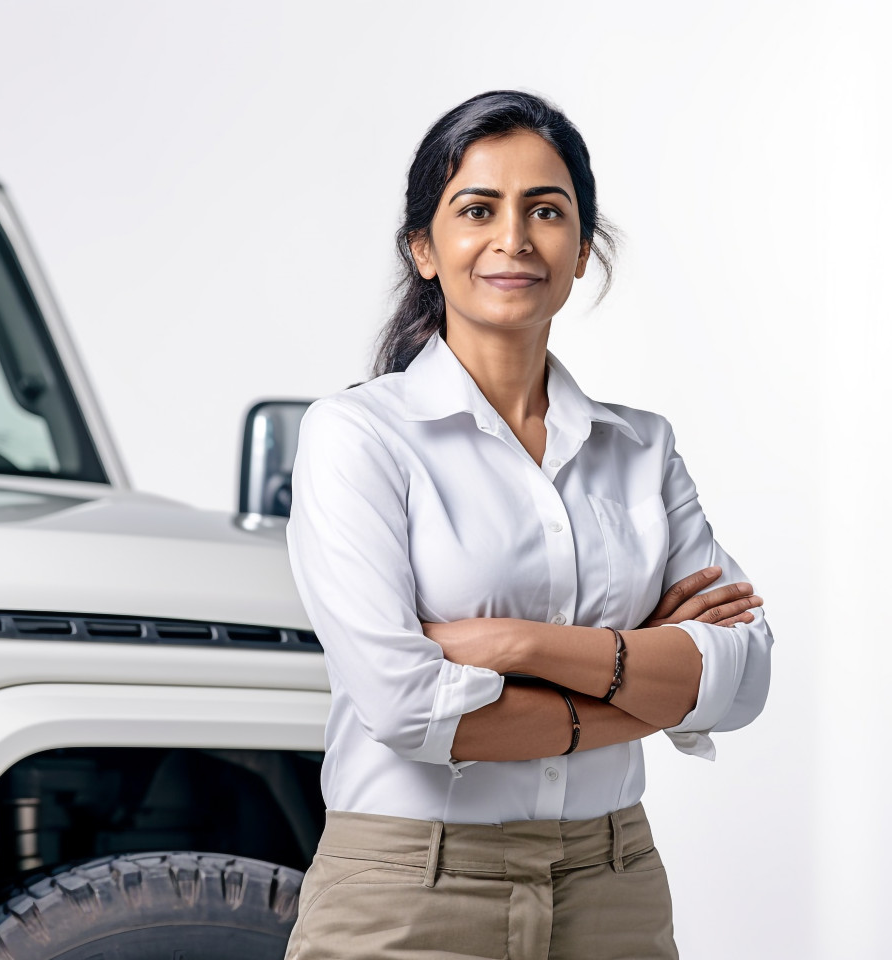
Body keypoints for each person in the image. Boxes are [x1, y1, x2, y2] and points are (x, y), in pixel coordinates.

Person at [284, 90, 773, 960]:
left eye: (546, 211)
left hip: (615, 881)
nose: (514, 237)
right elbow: (407, 708)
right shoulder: (356, 436)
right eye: (478, 209)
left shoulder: (640, 447)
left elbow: (742, 676)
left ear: (581, 251)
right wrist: (642, 674)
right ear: (425, 249)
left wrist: (518, 645)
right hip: (411, 886)